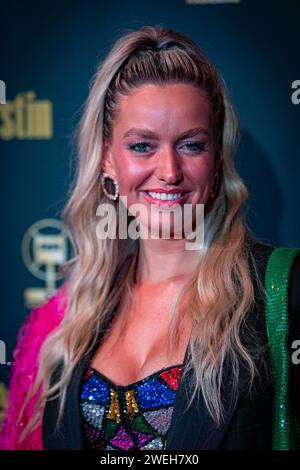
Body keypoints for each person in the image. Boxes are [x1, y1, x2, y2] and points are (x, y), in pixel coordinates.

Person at [0, 25, 299, 451]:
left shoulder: (281, 292)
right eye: (142, 146)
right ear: (107, 158)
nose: (170, 171)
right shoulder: (72, 315)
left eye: (191, 145)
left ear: (216, 161)